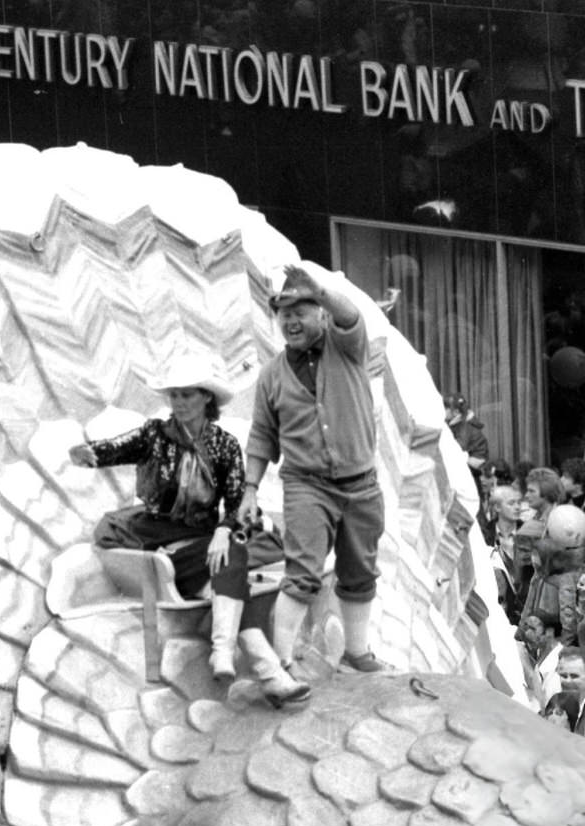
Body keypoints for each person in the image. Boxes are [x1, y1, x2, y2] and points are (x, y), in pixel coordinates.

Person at [69, 354, 308, 705]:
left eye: (187, 395)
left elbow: (238, 501)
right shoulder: (154, 435)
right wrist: (88, 453)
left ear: (206, 398)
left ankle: (256, 668)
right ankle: (259, 667)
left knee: (233, 552)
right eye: (174, 396)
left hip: (207, 545)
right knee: (234, 564)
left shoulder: (224, 445)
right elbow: (114, 449)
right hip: (160, 545)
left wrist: (224, 531)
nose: (179, 403)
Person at [239, 263, 386, 674]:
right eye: (284, 314)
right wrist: (250, 489)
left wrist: (318, 288)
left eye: (300, 311)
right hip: (306, 485)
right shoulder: (271, 376)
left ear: (321, 314)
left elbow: (351, 316)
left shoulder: (347, 347)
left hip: (361, 483)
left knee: (359, 570)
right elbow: (261, 437)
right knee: (302, 573)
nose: (290, 321)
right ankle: (282, 660)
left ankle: (358, 654)